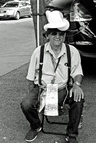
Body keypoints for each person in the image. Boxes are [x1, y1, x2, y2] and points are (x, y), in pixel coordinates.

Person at [20, 10, 84, 143]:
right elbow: (30, 78)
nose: (58, 36)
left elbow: (77, 72)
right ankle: (35, 125)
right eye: (54, 33)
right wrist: (34, 97)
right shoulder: (38, 52)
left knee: (78, 99)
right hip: (43, 88)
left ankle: (71, 134)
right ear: (47, 35)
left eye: (61, 33)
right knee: (26, 104)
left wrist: (77, 85)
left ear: (65, 35)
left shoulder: (72, 52)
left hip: (63, 88)